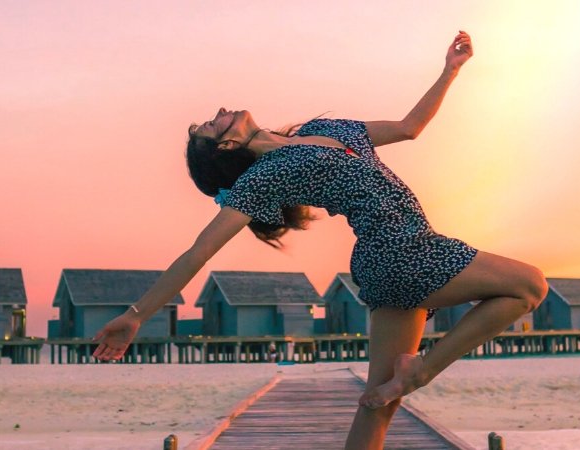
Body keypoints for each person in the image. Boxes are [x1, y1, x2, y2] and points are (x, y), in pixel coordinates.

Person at [91, 31, 547, 449]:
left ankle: (408, 376)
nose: (219, 112)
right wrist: (135, 316)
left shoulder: (330, 130)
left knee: (378, 405)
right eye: (212, 125)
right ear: (227, 147)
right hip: (402, 249)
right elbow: (200, 251)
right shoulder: (264, 178)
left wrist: (450, 70)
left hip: (384, 260)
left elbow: (409, 127)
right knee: (529, 285)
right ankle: (421, 369)